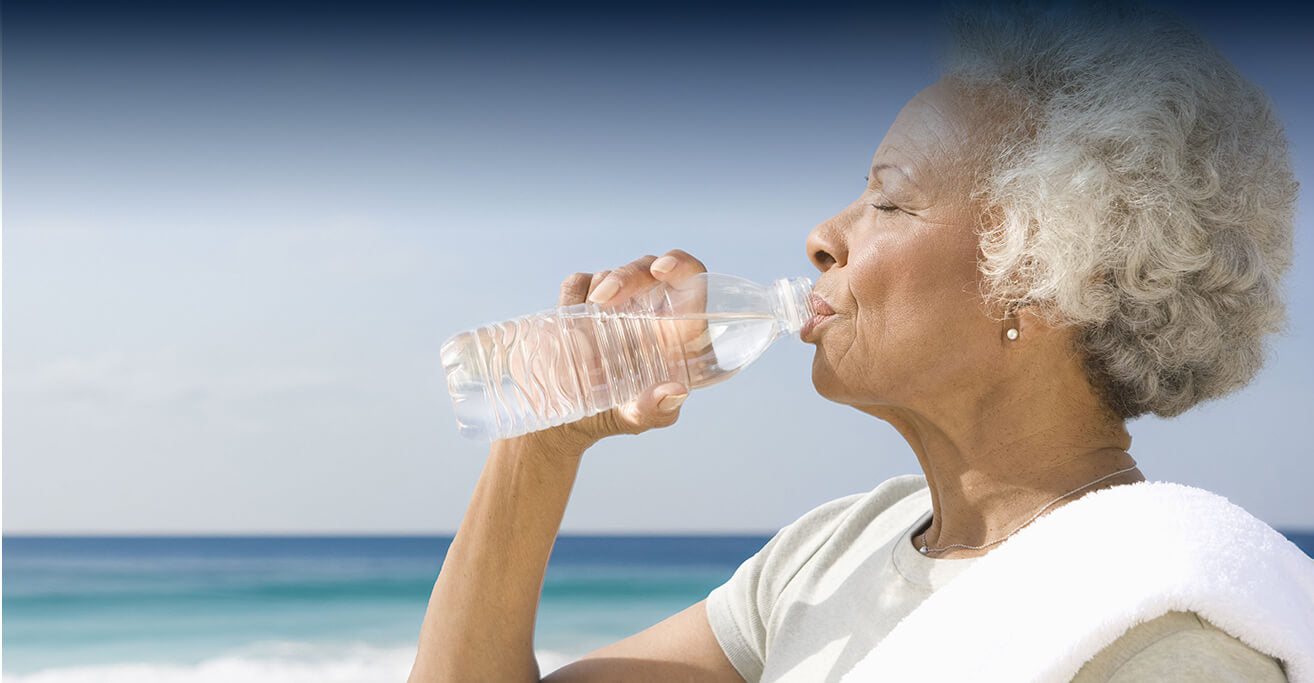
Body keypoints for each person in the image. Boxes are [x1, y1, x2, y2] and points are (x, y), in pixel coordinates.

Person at [408, 3, 1309, 681]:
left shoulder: (1160, 630)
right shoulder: (836, 549)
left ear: (1039, 279)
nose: (821, 236)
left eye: (889, 199)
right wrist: (543, 441)